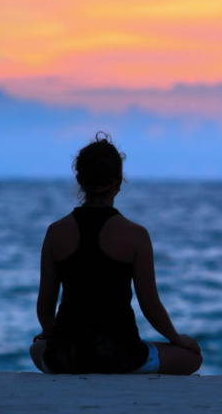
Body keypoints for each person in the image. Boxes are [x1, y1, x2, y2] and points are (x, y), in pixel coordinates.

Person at [29, 132, 202, 375]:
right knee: (192, 358)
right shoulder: (136, 235)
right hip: (121, 356)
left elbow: (45, 305)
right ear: (119, 180)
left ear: (79, 179)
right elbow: (150, 306)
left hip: (66, 356)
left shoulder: (55, 232)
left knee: (36, 349)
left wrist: (49, 333)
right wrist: (177, 338)